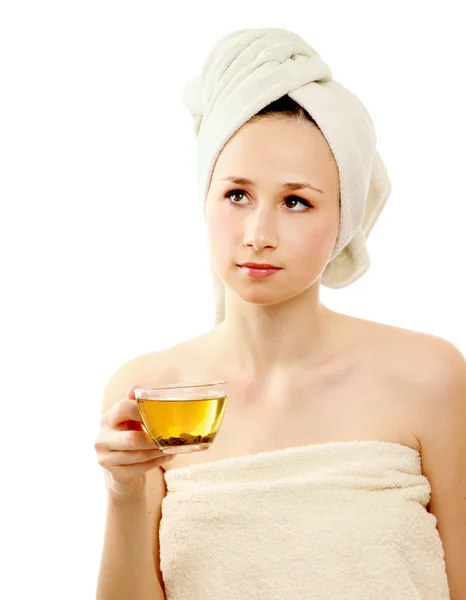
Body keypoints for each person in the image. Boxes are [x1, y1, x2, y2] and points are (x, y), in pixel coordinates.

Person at [94, 28, 466, 600]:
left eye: (297, 201)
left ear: (344, 218)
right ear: (206, 198)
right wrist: (124, 492)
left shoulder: (428, 375)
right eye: (237, 195)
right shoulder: (155, 393)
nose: (258, 235)